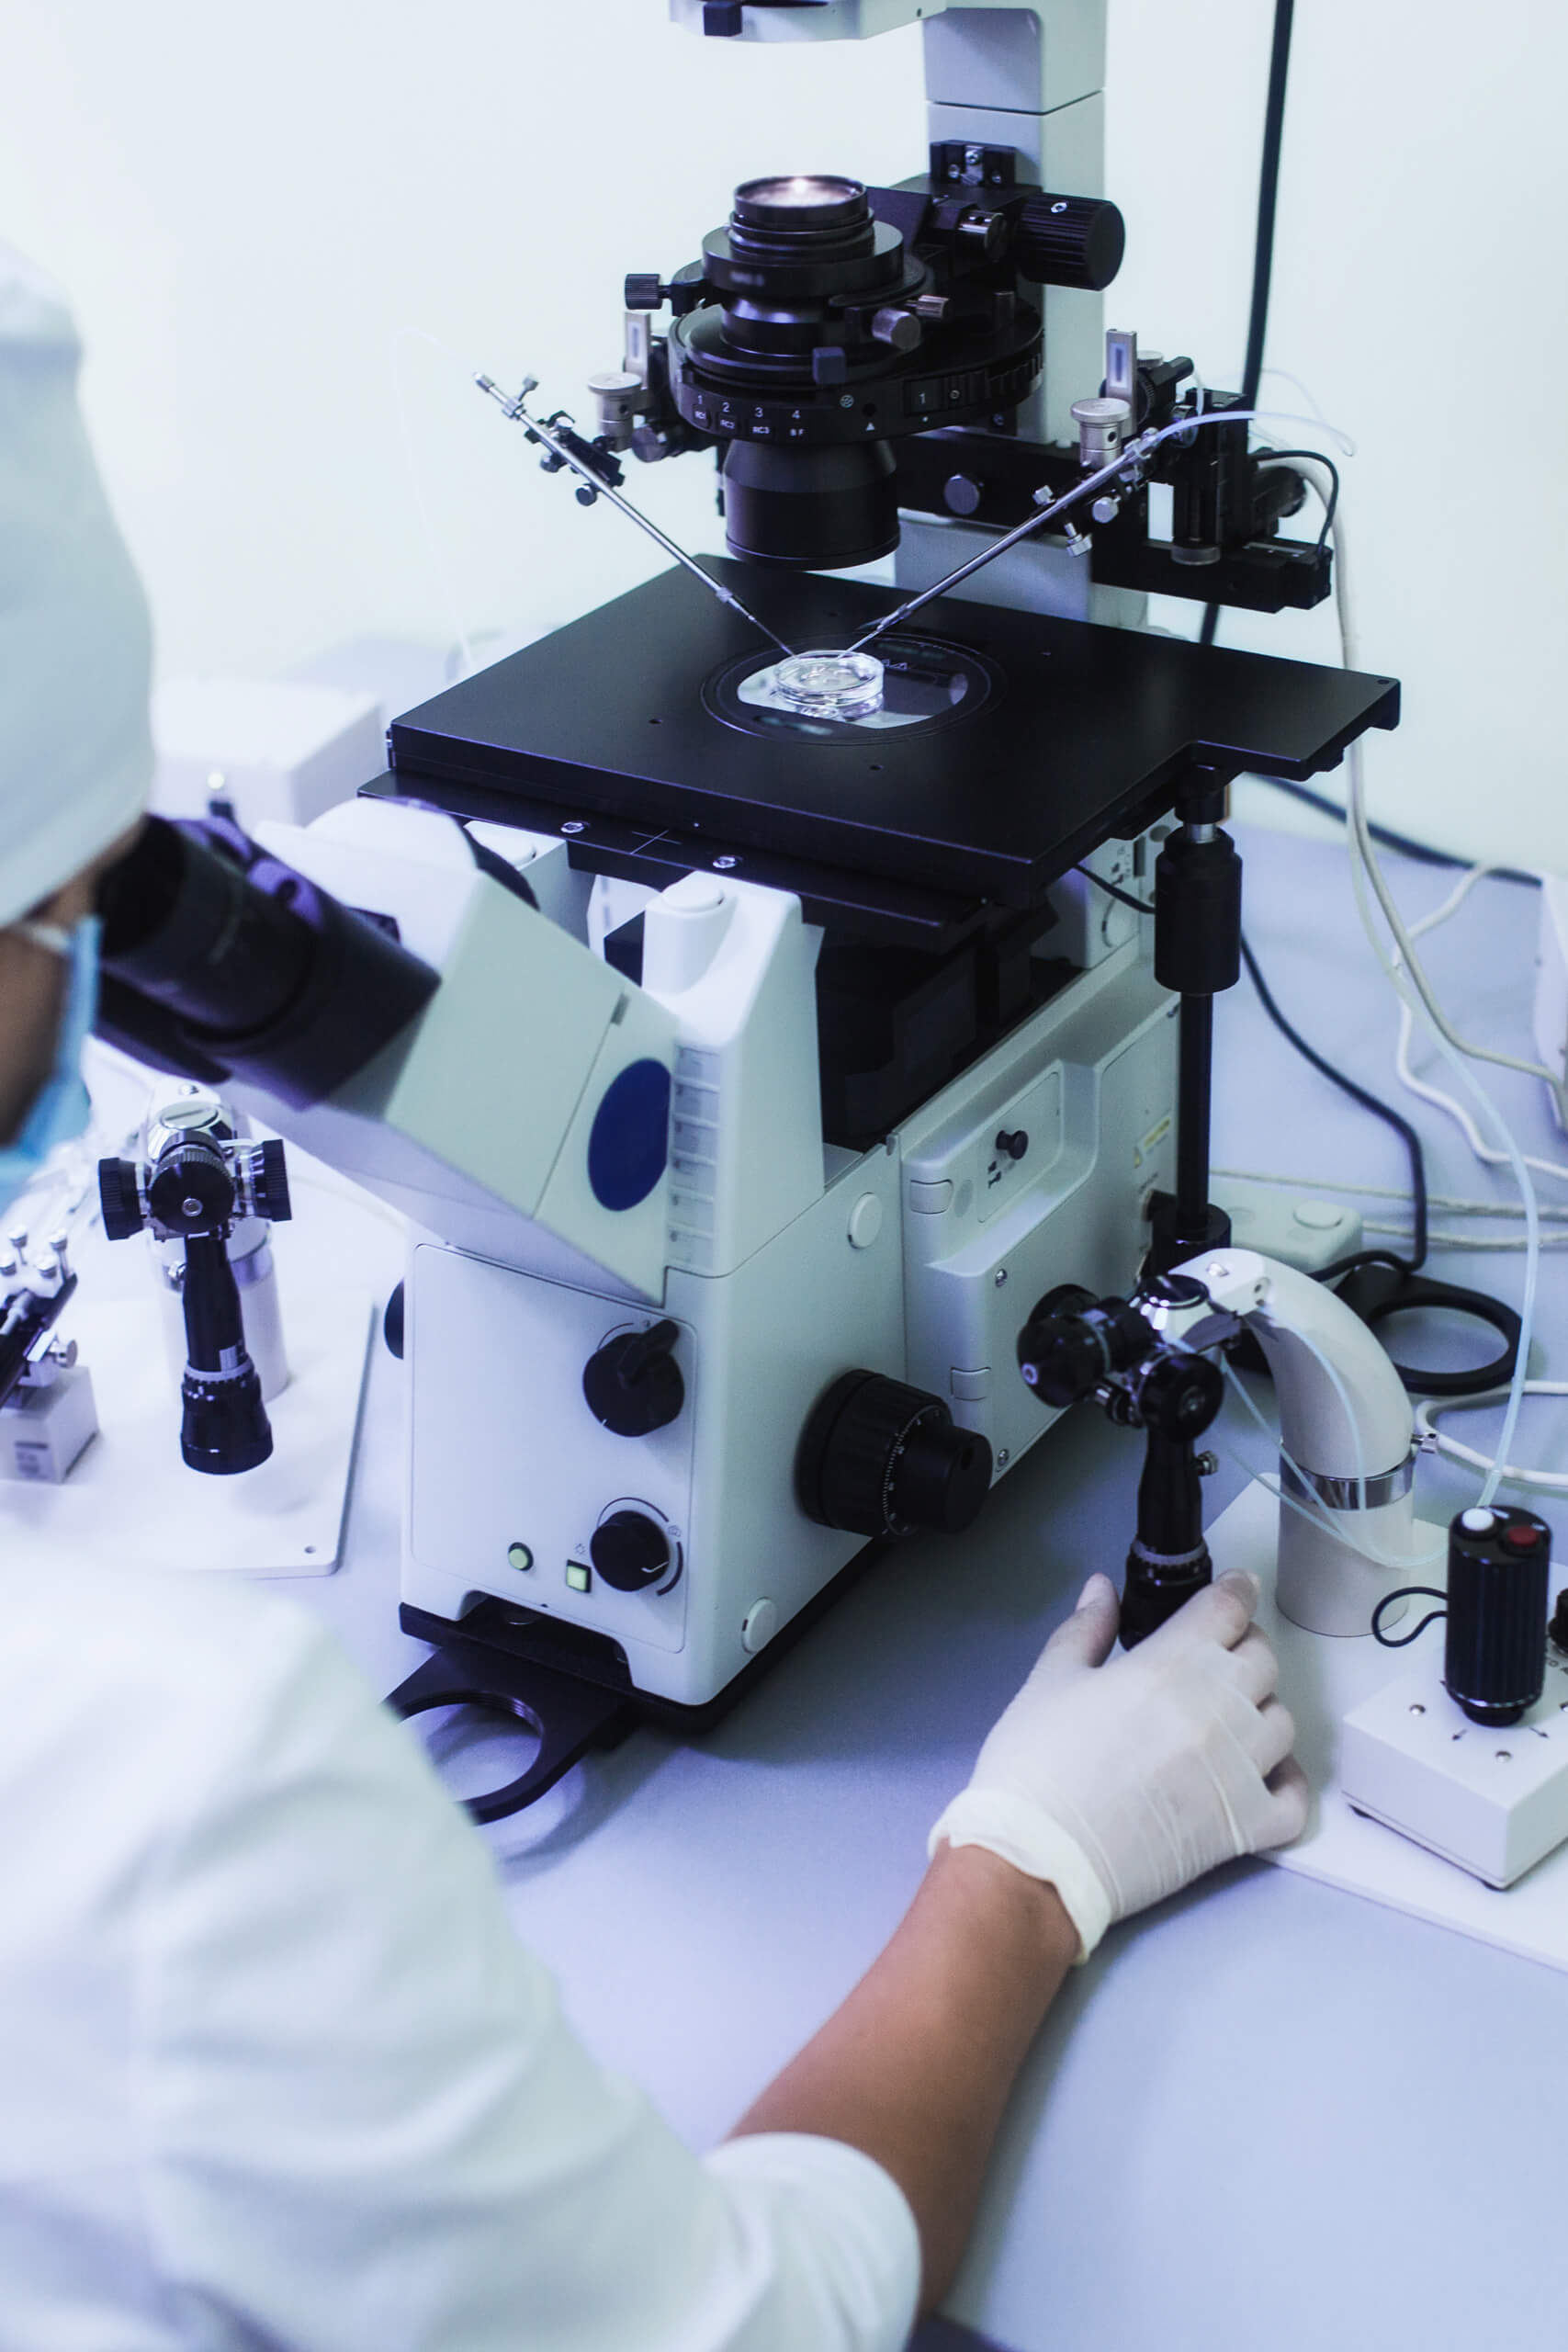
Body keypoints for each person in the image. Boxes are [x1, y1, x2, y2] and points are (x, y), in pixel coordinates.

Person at [0, 243, 1309, 2352]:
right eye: (85, 898)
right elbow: (747, 2318)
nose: (101, 949)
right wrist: (1033, 1857)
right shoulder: (175, 1789)